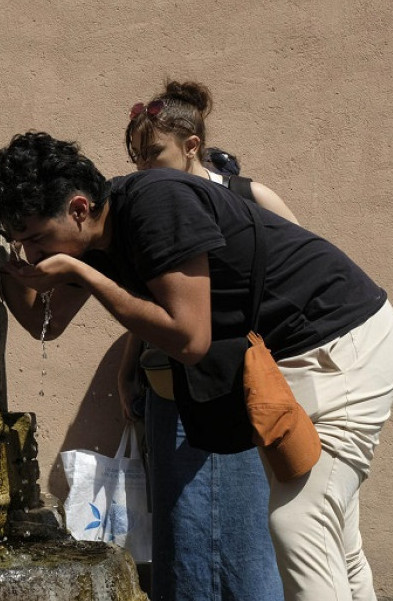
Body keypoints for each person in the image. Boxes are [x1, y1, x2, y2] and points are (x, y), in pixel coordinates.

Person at [0, 131, 391, 601]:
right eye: (20, 243)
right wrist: (1, 267)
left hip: (340, 342)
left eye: (34, 239)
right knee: (336, 535)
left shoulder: (157, 204)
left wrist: (83, 274)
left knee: (299, 522)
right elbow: (43, 323)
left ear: (77, 208)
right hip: (293, 359)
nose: (33, 253)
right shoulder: (88, 241)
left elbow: (190, 339)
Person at [117, 81, 291, 601]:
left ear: (191, 145)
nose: (143, 168)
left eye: (154, 154)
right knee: (182, 536)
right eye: (136, 157)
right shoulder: (149, 208)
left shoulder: (248, 197)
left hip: (232, 390)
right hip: (168, 392)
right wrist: (127, 371)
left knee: (241, 539)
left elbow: (292, 280)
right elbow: (152, 303)